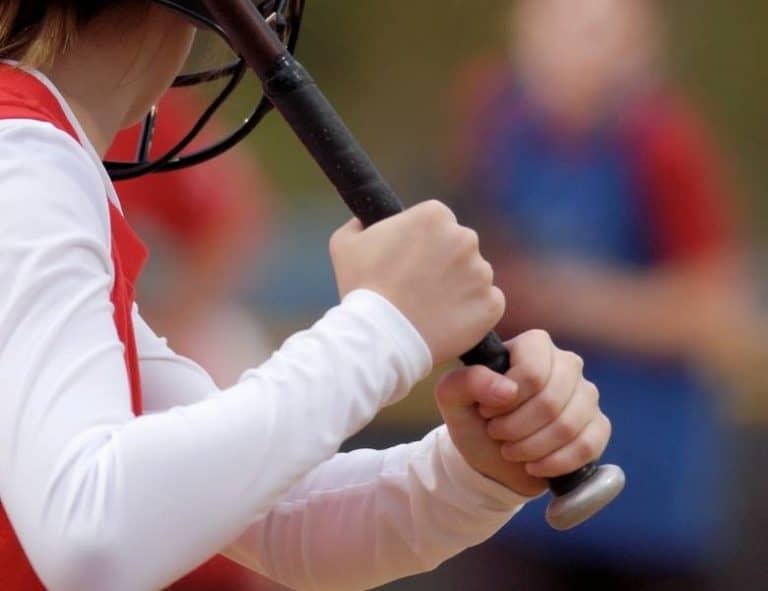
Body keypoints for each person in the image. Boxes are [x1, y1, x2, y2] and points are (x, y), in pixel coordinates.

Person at [0, 2, 611, 591]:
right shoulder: (24, 157)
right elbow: (93, 535)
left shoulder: (30, 152)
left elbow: (278, 522)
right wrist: (380, 328)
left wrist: (471, 473)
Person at [448, 0, 749, 588]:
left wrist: (574, 299)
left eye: (593, 32)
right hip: (521, 499)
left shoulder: (662, 144)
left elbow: (717, 311)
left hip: (645, 506)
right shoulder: (500, 126)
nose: (569, 51)